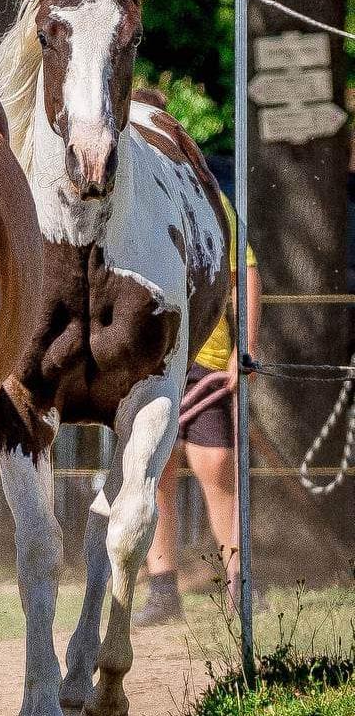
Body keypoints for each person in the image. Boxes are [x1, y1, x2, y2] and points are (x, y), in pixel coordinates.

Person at [135, 191, 260, 626]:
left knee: (218, 466)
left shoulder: (212, 198)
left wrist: (242, 349)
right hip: (156, 359)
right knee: (155, 475)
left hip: (206, 359)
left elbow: (244, 270)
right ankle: (162, 588)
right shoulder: (135, 194)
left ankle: (239, 583)